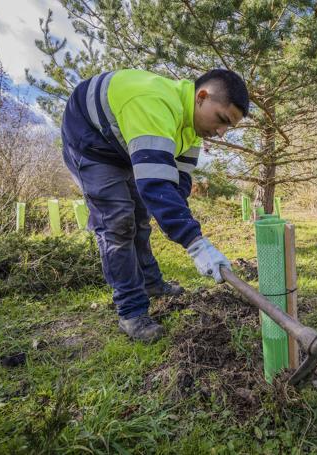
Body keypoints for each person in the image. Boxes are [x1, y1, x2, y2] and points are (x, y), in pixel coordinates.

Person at [61, 68, 249, 342]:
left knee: (140, 215)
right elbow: (156, 186)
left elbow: (176, 185)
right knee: (117, 222)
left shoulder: (192, 131)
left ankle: (151, 283)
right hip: (90, 142)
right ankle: (131, 312)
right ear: (202, 96)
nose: (220, 133)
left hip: (123, 143)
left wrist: (177, 222)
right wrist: (197, 244)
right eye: (221, 119)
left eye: (228, 127)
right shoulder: (155, 105)